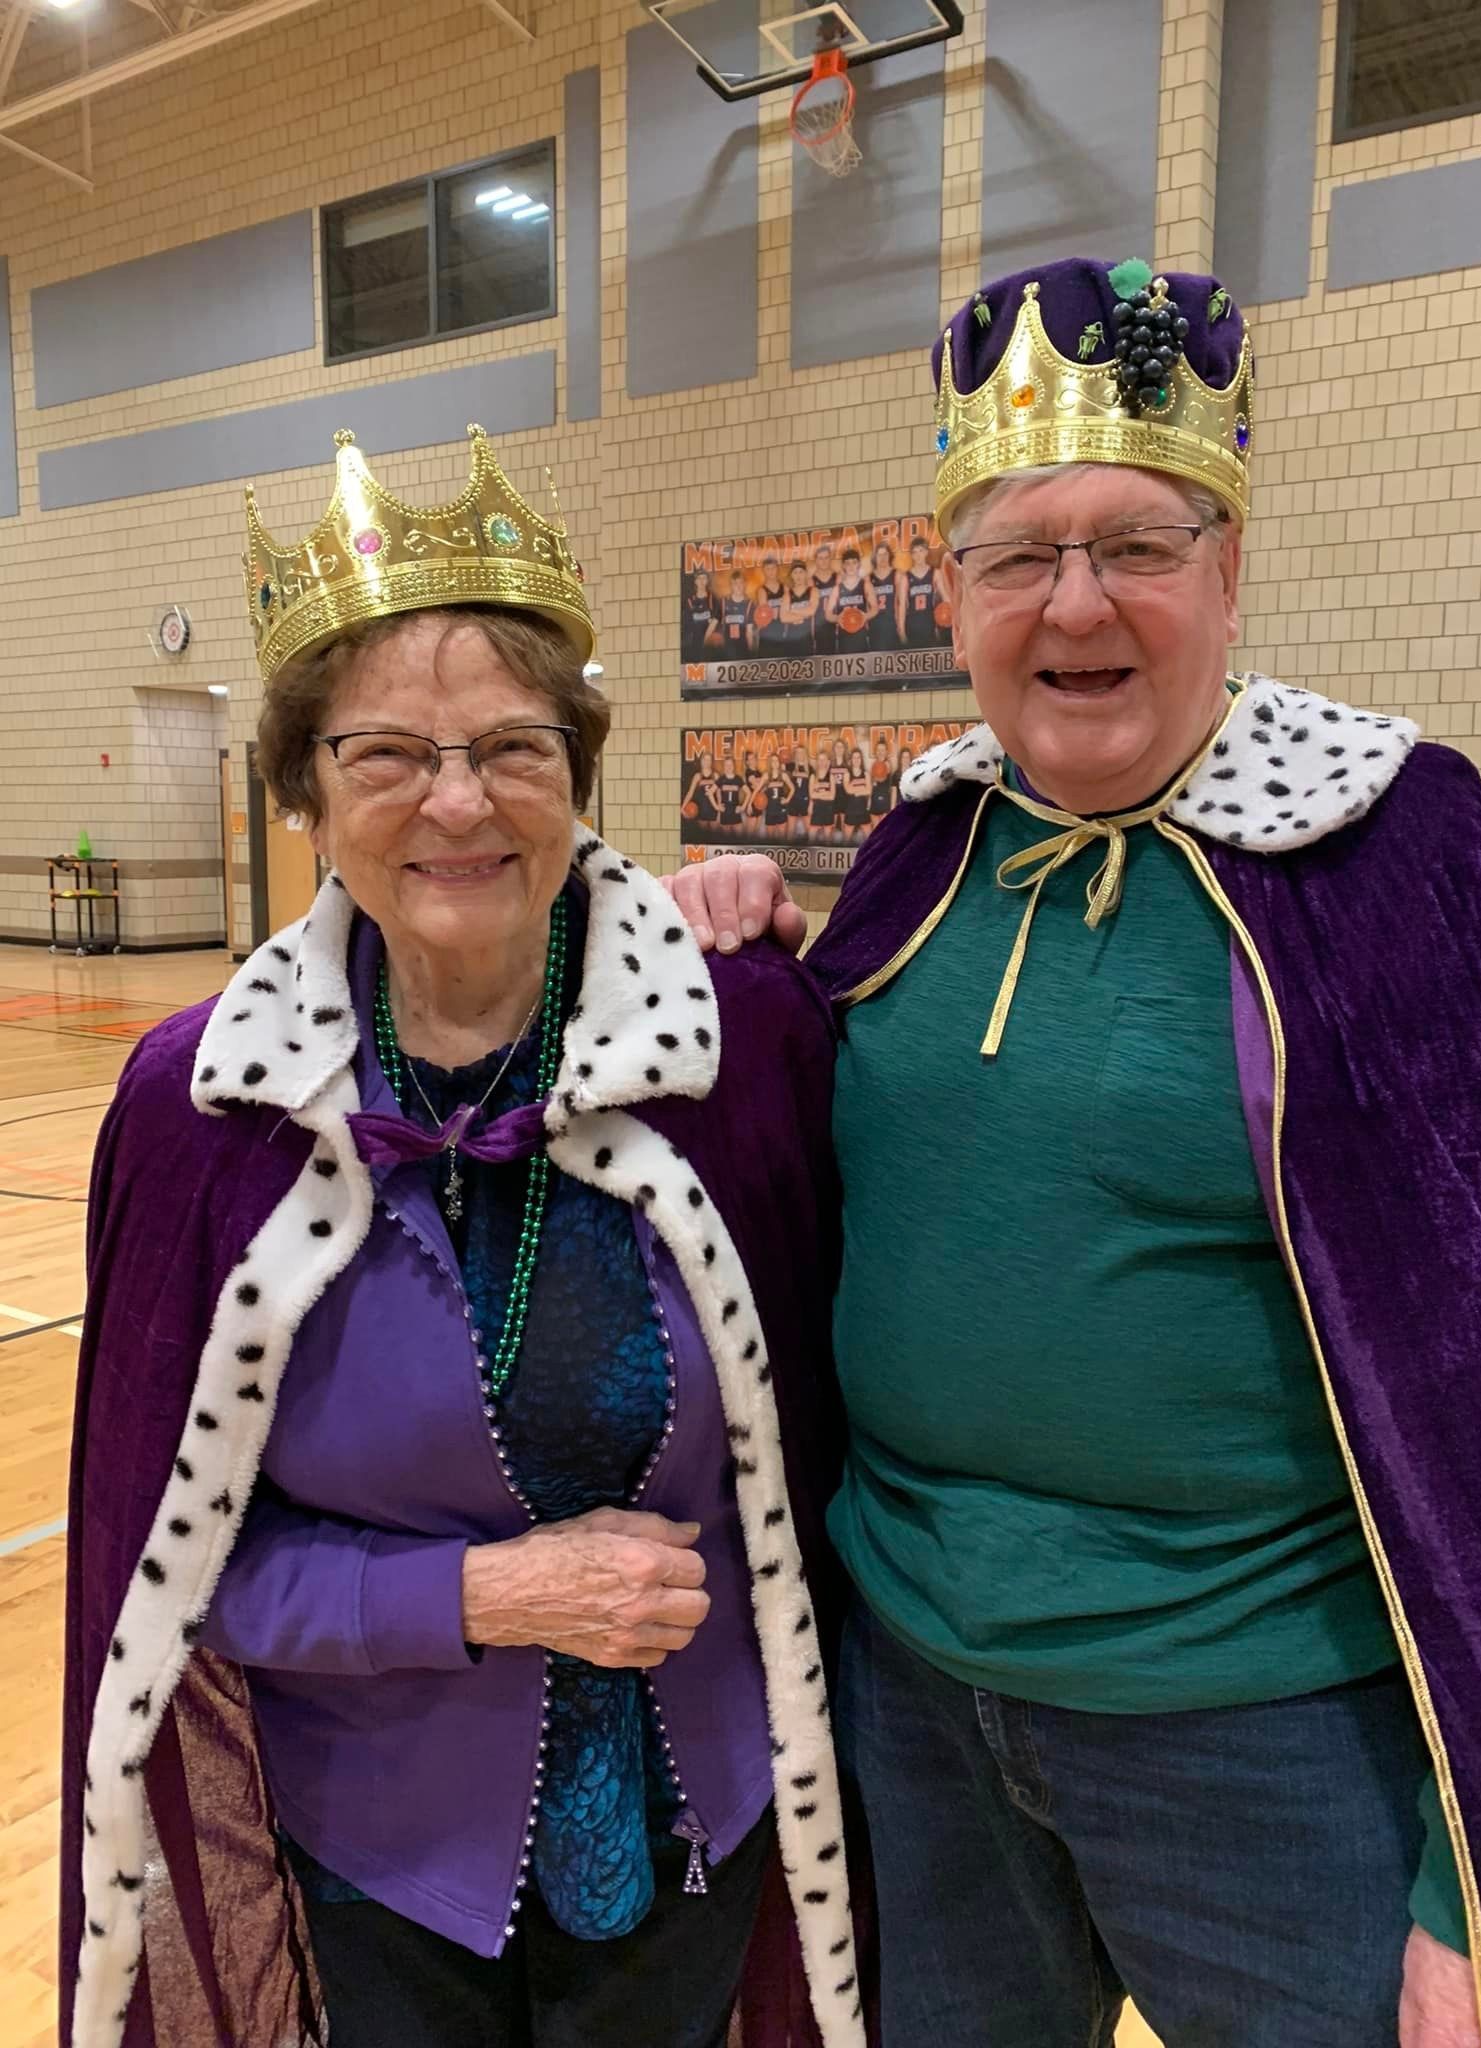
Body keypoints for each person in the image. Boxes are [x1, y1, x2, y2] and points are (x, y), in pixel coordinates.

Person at [664, 258, 1481, 2048]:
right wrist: (738, 942)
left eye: (1137, 543)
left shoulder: (1398, 855)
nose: (1076, 599)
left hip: (1271, 1730)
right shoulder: (921, 848)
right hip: (914, 1700)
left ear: (1228, 567)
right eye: (1016, 555)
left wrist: (1478, 1875)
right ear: (954, 592)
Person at [61, 425, 869, 2048]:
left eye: (513, 745)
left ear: (577, 770)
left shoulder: (742, 1047)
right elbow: (185, 1571)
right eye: (385, 756)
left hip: (701, 1835)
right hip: (378, 1857)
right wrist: (483, 1593)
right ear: (305, 790)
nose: (455, 801)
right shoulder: (200, 1110)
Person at [897, 537, 938, 649]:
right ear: (911, 555)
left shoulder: (935, 573)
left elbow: (946, 600)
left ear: (926, 552)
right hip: (912, 624)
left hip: (930, 622)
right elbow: (902, 605)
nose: (918, 555)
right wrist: (901, 628)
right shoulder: (906, 577)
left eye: (920, 551)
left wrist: (945, 621)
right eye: (914, 552)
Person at [828, 550, 869, 654]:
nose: (851, 566)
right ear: (843, 566)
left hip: (861, 634)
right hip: (844, 635)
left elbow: (875, 609)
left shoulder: (865, 585)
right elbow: (828, 614)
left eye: (854, 562)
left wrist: (865, 616)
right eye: (848, 563)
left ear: (859, 564)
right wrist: (837, 618)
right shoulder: (837, 589)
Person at [864, 543, 899, 653]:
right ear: (875, 557)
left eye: (885, 554)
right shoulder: (868, 578)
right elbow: (865, 604)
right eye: (879, 555)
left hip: (892, 622)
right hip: (875, 624)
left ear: (890, 556)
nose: (883, 558)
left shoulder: (897, 574)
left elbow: (902, 601)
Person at [682, 570, 720, 661]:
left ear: (707, 581)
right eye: (699, 578)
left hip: (710, 644)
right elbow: (687, 624)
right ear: (695, 581)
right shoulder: (690, 600)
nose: (702, 581)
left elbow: (717, 619)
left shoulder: (712, 598)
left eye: (704, 578)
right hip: (694, 644)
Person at [680, 746, 720, 831]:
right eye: (705, 759)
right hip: (701, 809)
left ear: (711, 762)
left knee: (716, 835)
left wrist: (719, 808)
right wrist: (682, 807)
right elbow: (690, 793)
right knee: (704, 835)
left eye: (709, 760)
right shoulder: (697, 776)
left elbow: (719, 794)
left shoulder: (716, 775)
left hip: (713, 809)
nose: (707, 762)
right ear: (701, 761)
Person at [783, 561, 819, 655]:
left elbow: (811, 611)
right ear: (791, 575)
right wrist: (803, 615)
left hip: (808, 639)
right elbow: (784, 617)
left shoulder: (813, 591)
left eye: (801, 572)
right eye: (795, 572)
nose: (798, 576)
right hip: (791, 639)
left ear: (806, 574)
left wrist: (792, 611)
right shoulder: (787, 595)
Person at [810, 544, 840, 657]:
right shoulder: (810, 581)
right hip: (819, 627)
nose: (823, 561)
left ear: (830, 558)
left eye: (826, 557)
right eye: (820, 558)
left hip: (836, 625)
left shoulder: (838, 577)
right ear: (816, 560)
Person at [720, 569, 755, 655]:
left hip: (743, 648)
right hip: (725, 648)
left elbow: (749, 631)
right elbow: (715, 625)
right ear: (731, 586)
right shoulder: (723, 602)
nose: (738, 586)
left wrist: (751, 652)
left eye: (741, 583)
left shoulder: (750, 604)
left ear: (745, 584)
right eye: (735, 583)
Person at [840, 748, 871, 843]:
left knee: (870, 840)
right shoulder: (847, 774)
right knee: (846, 840)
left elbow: (869, 791)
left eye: (858, 758)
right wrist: (862, 789)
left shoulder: (866, 774)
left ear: (861, 760)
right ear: (851, 760)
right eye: (854, 758)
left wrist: (856, 791)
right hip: (851, 811)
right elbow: (848, 790)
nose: (856, 760)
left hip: (863, 810)